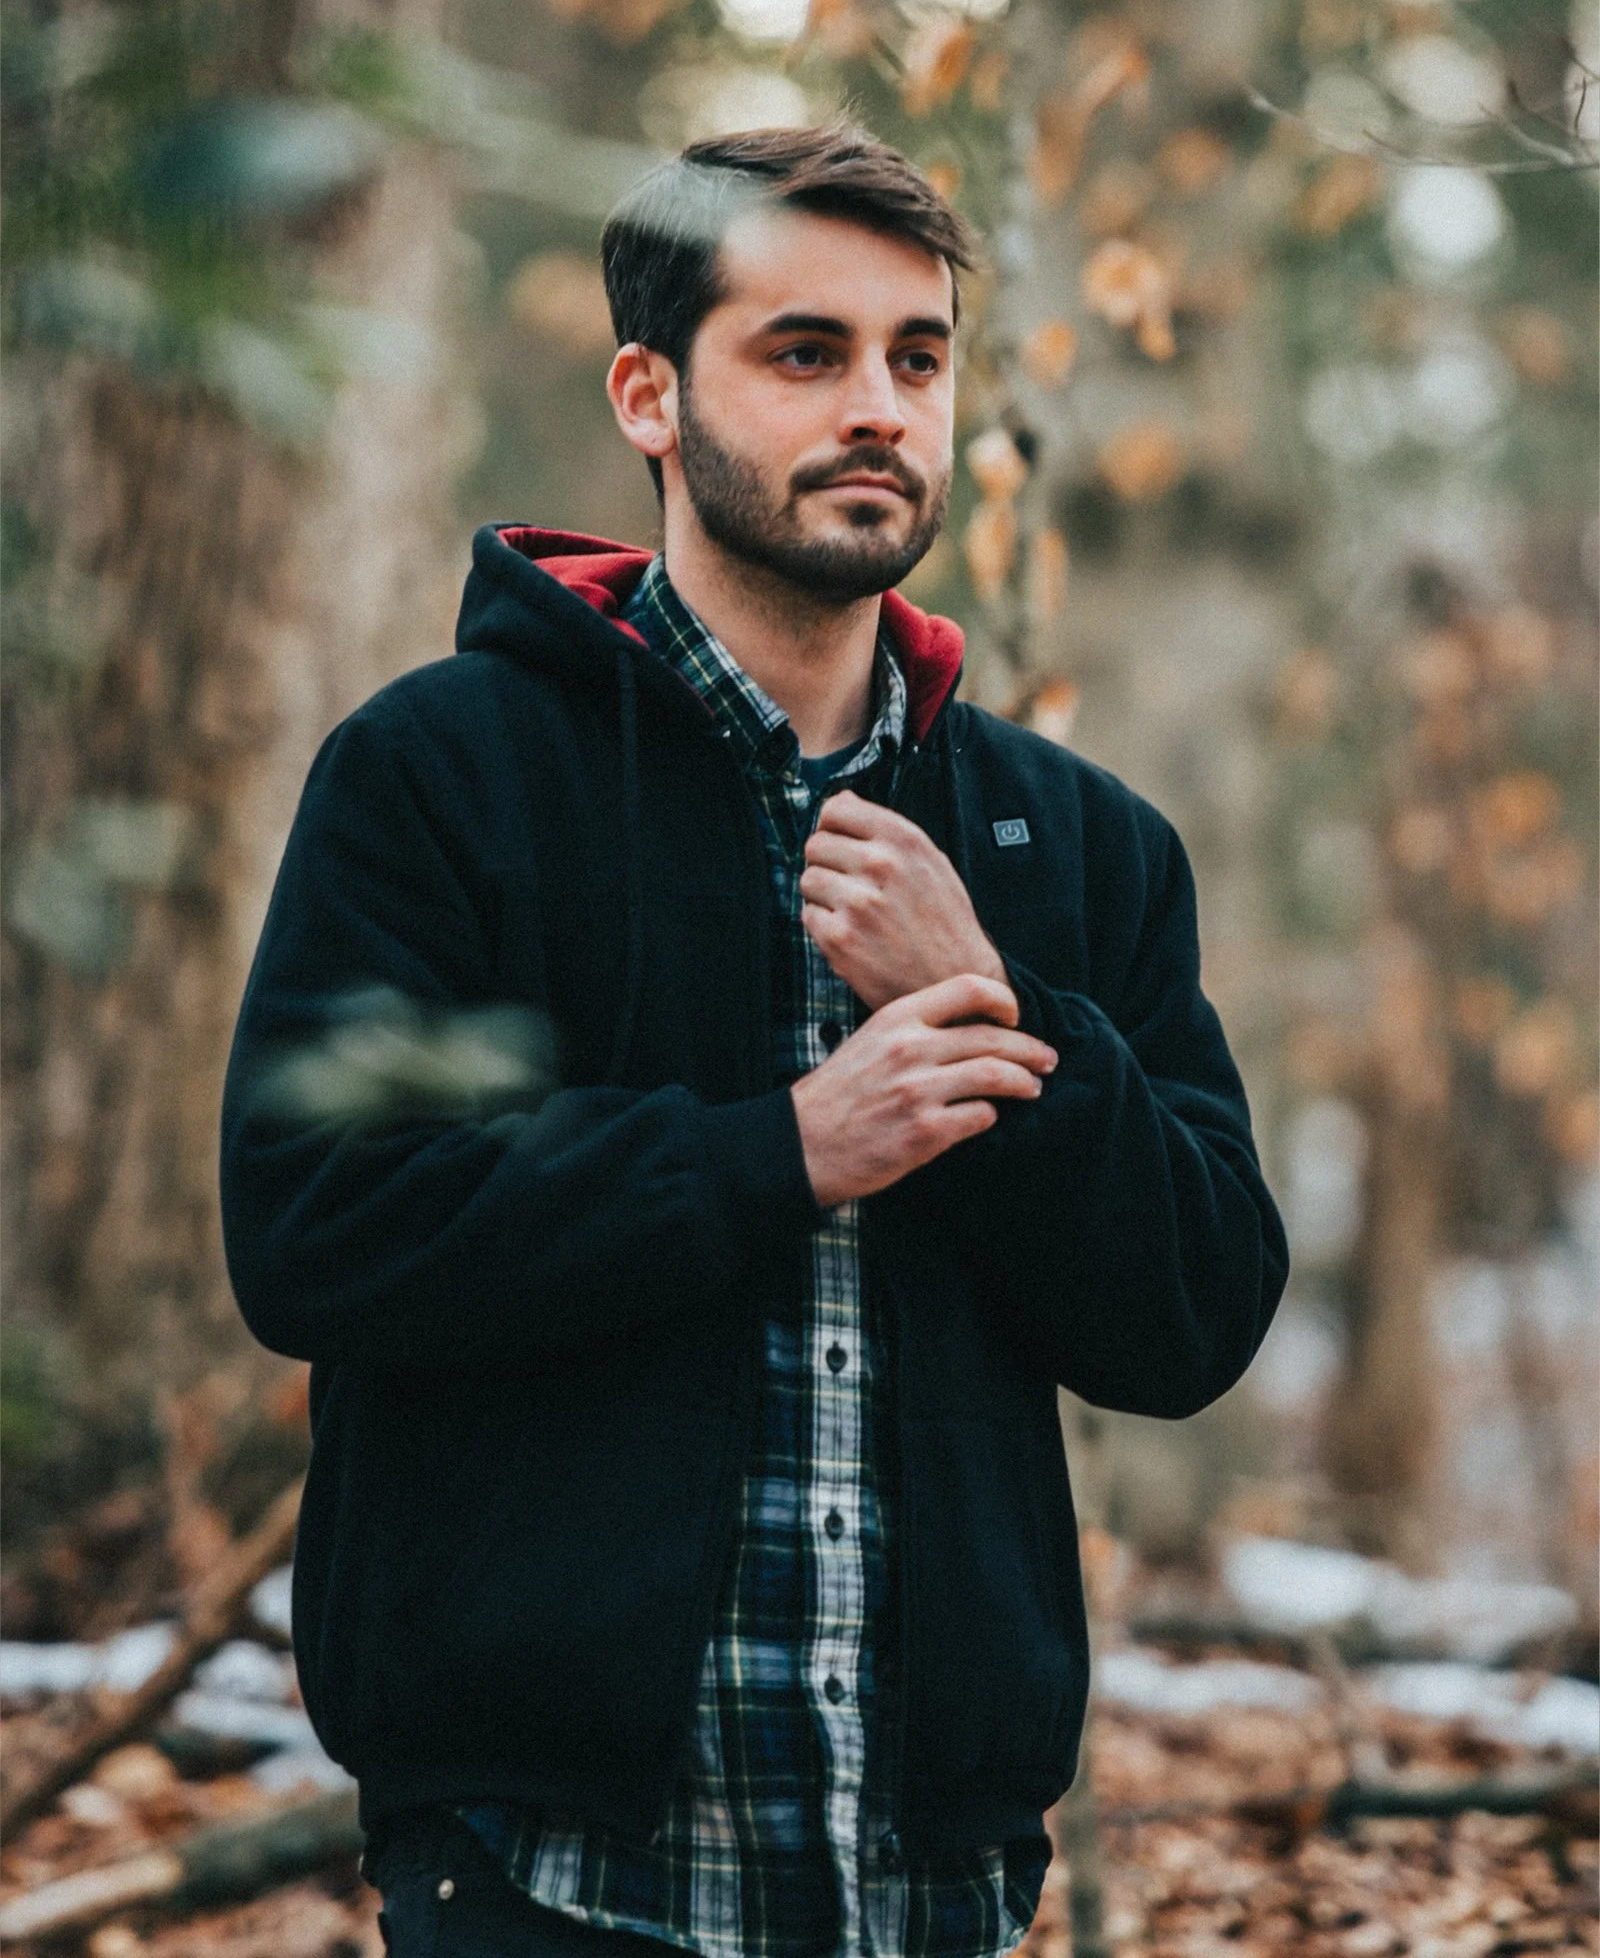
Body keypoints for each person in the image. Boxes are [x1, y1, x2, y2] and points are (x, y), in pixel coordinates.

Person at [220, 124, 1288, 1958]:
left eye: (917, 357)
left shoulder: (1072, 842)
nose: (879, 405)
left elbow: (1194, 1320)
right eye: (806, 351)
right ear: (650, 393)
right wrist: (779, 1150)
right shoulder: (445, 775)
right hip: (548, 1872)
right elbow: (319, 1223)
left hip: (934, 1882)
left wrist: (1007, 1029)